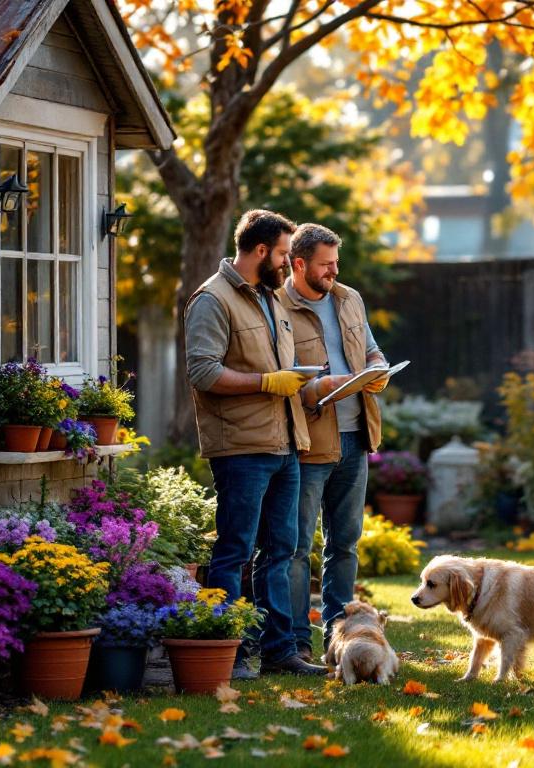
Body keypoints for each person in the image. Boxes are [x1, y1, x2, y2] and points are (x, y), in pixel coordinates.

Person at [183, 209, 327, 678]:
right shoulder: (212, 299)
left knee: (281, 551)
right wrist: (268, 382)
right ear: (261, 250)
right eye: (285, 254)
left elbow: (285, 375)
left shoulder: (270, 299)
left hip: (284, 444)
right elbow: (203, 372)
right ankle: (231, 652)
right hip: (241, 448)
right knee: (234, 551)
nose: (289, 263)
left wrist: (317, 388)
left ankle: (280, 651)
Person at [280, 223, 387, 660]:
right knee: (298, 548)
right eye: (326, 265)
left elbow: (372, 348)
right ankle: (294, 645)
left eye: (336, 263)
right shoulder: (278, 306)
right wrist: (322, 386)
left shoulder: (349, 299)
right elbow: (282, 374)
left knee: (344, 545)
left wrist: (377, 368)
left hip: (355, 436)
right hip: (308, 441)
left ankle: (338, 642)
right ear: (299, 263)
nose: (333, 272)